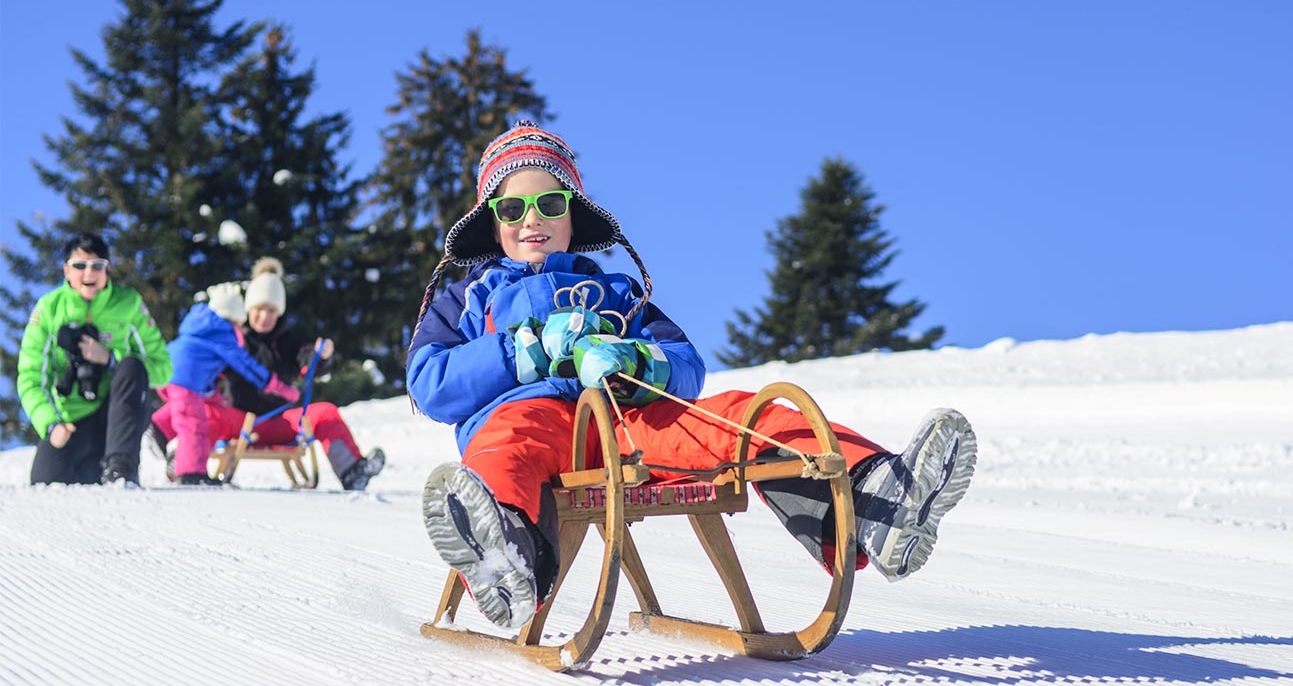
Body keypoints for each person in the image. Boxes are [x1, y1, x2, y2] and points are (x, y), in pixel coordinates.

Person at [409, 121, 979, 630]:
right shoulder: (466, 297)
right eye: (513, 209)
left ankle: (878, 499)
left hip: (623, 421)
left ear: (572, 214)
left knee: (736, 415)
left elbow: (685, 364)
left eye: (550, 204)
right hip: (528, 418)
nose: (532, 219)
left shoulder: (615, 292)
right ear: (493, 222)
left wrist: (634, 362)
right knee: (505, 449)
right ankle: (505, 556)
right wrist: (520, 354)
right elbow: (429, 382)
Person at [149, 259, 386, 490]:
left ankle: (352, 471)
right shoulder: (231, 339)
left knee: (325, 412)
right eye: (259, 309)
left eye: (271, 310)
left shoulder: (288, 342)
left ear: (279, 311)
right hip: (239, 421)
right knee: (205, 411)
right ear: (248, 309)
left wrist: (320, 357)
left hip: (280, 421)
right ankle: (183, 462)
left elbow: (310, 365)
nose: (265, 316)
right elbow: (197, 388)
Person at [17, 232, 173, 486]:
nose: (89, 272)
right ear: (67, 270)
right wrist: (50, 424)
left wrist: (111, 359)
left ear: (107, 270)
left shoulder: (129, 303)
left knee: (132, 366)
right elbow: (31, 377)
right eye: (80, 265)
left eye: (97, 265)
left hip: (113, 421)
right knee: (46, 485)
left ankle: (120, 470)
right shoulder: (48, 309)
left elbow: (163, 370)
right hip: (68, 421)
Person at [158, 282, 301, 486]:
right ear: (234, 319)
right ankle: (190, 473)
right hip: (185, 380)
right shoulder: (223, 333)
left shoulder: (202, 326)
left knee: (189, 411)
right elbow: (249, 368)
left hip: (168, 373)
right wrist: (284, 389)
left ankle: (160, 426)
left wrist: (214, 396)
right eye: (241, 325)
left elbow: (204, 373)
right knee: (194, 424)